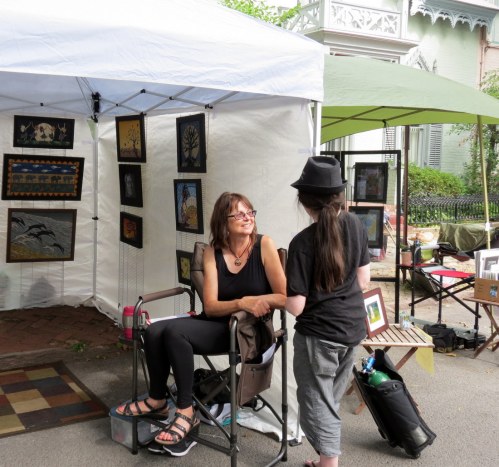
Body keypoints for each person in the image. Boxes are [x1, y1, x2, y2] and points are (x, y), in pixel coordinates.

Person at [116, 191, 286, 456]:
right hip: (216, 323)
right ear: (223, 221)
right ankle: (158, 400)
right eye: (239, 214)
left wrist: (254, 302)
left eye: (250, 212)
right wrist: (243, 302)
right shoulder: (211, 251)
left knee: (175, 333)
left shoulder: (264, 245)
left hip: (243, 331)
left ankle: (186, 412)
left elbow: (284, 296)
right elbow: (211, 306)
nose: (247, 218)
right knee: (154, 330)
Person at [285, 156, 371, 467]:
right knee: (330, 398)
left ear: (303, 200)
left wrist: (274, 296)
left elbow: (296, 306)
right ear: (338, 195)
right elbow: (363, 280)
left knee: (316, 402)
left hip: (319, 336)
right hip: (352, 329)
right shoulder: (356, 225)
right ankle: (325, 462)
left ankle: (330, 464)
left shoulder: (301, 243)